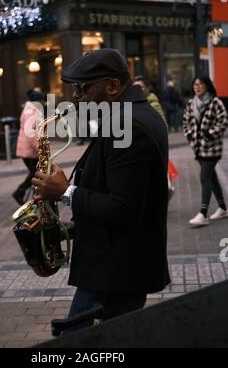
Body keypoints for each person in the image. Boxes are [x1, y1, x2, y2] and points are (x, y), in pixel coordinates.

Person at [31, 48, 170, 329]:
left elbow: (124, 209)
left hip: (116, 274)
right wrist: (66, 229)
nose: (75, 97)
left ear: (113, 86)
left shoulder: (127, 125)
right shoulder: (131, 116)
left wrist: (65, 192)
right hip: (117, 268)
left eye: (82, 89)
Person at [183, 76, 228, 227]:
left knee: (204, 177)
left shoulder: (215, 102)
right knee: (212, 177)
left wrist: (209, 134)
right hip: (198, 148)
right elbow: (186, 121)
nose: (197, 87)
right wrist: (190, 135)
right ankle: (222, 208)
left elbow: (223, 122)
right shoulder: (191, 103)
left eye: (200, 84)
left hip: (212, 148)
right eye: (195, 84)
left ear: (207, 86)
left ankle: (203, 214)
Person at [12, 89, 45, 206]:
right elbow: (32, 135)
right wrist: (40, 150)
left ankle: (35, 197)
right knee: (36, 174)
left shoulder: (29, 109)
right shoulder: (33, 112)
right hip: (30, 150)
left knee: (36, 173)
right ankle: (21, 193)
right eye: (42, 101)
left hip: (27, 149)